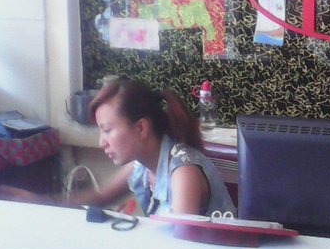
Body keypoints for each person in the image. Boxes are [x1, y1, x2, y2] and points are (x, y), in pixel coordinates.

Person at [80, 78, 235, 216]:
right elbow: (101, 197)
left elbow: (178, 239)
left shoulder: (183, 172)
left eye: (107, 130)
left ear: (141, 127)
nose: (102, 142)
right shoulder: (141, 165)